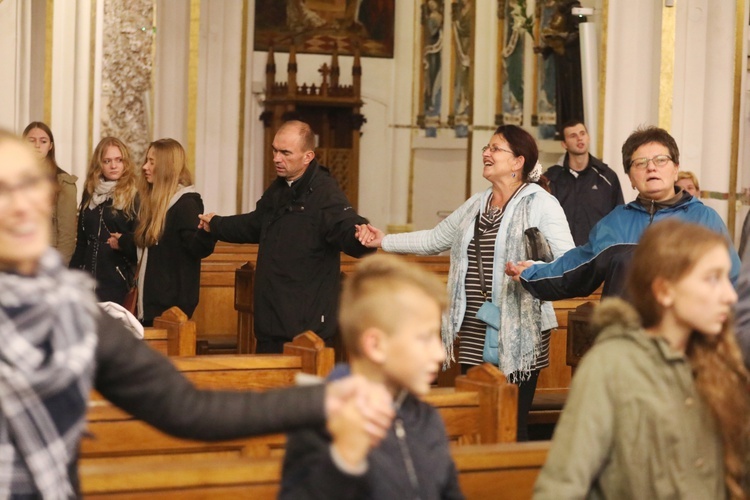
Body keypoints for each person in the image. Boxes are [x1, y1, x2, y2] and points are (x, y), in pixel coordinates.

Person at [0, 129, 394, 498]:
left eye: (32, 188)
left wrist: (320, 401)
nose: (23, 205)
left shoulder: (70, 312)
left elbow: (188, 408)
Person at [357, 124, 574, 441]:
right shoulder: (477, 204)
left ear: (518, 161)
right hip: (473, 327)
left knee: (511, 422)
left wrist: (532, 269)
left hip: (519, 330)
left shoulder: (540, 202)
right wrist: (383, 241)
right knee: (477, 418)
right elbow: (434, 239)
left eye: (496, 148)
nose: (486, 153)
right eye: (487, 147)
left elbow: (569, 259)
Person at [533, 219, 750, 499]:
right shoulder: (612, 364)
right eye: (712, 279)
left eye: (727, 278)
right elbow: (562, 486)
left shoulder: (722, 362)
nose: (730, 295)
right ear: (664, 290)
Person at [281, 254, 464, 499]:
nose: (440, 353)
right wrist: (344, 457)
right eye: (424, 338)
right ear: (375, 345)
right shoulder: (322, 421)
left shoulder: (427, 419)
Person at [198, 120, 375, 353]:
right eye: (274, 150)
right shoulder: (280, 187)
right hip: (271, 321)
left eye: (285, 153)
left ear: (307, 156)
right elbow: (254, 224)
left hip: (306, 331)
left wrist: (361, 234)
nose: (276, 158)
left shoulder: (324, 193)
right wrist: (217, 224)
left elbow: (346, 225)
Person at [508, 126, 741, 299]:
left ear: (675, 168)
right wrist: (532, 273)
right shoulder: (615, 222)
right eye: (640, 163)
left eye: (661, 160)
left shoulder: (704, 220)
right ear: (630, 178)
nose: (651, 167)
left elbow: (732, 285)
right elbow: (575, 270)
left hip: (684, 351)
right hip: (623, 349)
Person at [135, 138, 215, 325]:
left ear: (166, 167)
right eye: (146, 160)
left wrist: (207, 232)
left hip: (170, 310)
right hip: (152, 305)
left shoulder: (185, 205)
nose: (145, 167)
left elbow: (196, 249)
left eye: (152, 162)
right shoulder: (157, 203)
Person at [70, 137, 139, 304]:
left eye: (118, 160)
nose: (113, 166)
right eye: (107, 161)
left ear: (125, 162)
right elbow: (82, 242)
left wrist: (122, 243)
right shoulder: (90, 192)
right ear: (99, 164)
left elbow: (140, 243)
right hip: (87, 279)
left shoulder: (134, 195)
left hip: (117, 278)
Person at [545, 119, 624, 245]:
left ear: (588, 138)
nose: (579, 139)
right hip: (561, 256)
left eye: (582, 134)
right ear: (564, 144)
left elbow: (619, 219)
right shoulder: (550, 178)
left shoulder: (607, 177)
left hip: (597, 255)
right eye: (573, 136)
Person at [23, 121, 77, 265]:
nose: (37, 145)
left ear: (50, 146)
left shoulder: (63, 183)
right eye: (31, 140)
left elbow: (67, 234)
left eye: (43, 141)